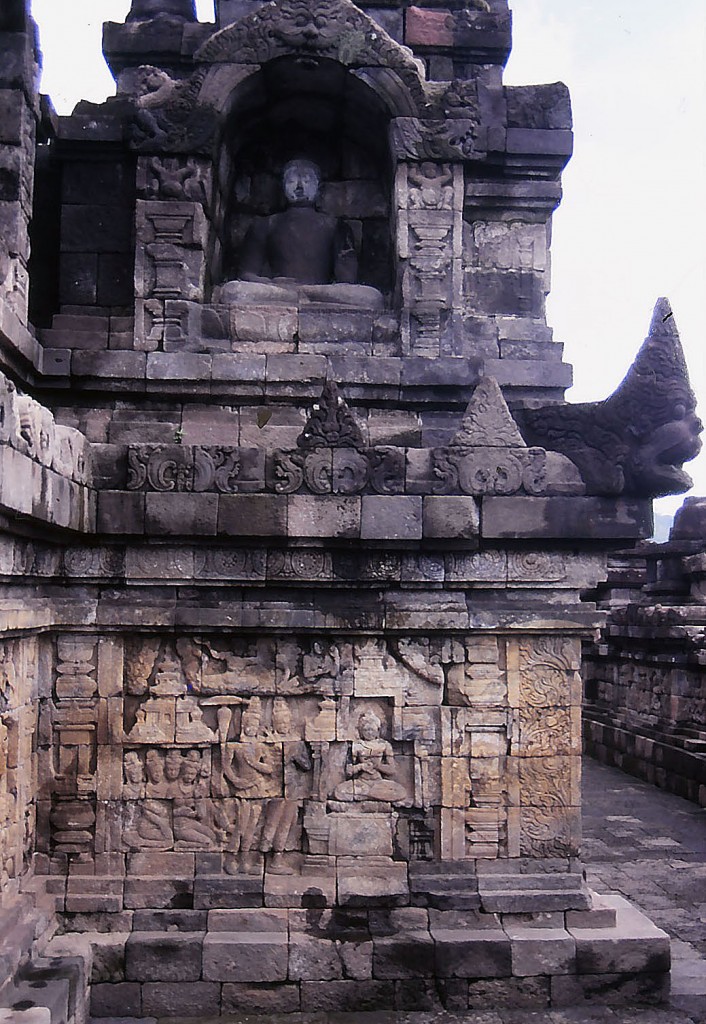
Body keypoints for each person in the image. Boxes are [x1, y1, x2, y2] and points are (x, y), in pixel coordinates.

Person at [217, 159, 384, 309]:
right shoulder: (265, 224)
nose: (299, 187)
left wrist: (343, 266)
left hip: (320, 292)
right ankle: (302, 299)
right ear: (282, 186)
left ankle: (305, 297)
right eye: (291, 181)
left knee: (371, 298)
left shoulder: (336, 225)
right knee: (233, 291)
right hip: (279, 291)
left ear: (319, 188)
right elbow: (247, 274)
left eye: (307, 181)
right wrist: (270, 283)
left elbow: (347, 281)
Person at [333, 710, 408, 804]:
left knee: (400, 792)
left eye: (372, 729)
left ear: (378, 730)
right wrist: (360, 766)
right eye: (366, 730)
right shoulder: (357, 745)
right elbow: (348, 772)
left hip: (378, 782)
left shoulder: (384, 745)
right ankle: (375, 797)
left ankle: (365, 796)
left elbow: (392, 770)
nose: (369, 733)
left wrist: (378, 766)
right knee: (340, 791)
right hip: (362, 782)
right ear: (361, 731)